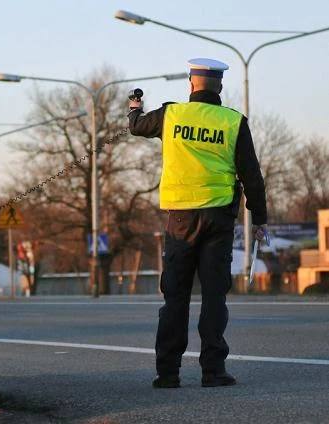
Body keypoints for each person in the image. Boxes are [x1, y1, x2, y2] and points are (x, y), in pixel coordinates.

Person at [127, 58, 268, 388]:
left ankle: (168, 373)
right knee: (214, 296)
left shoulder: (172, 114)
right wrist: (259, 219)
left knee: (175, 296)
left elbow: (136, 127)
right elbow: (252, 176)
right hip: (219, 218)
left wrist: (134, 106)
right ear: (219, 86)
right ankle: (213, 371)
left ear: (191, 84)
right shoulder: (233, 122)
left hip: (180, 220)